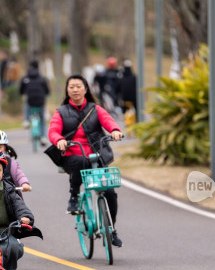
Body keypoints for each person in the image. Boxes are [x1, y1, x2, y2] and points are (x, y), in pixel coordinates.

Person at [48, 74, 124, 247]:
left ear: (85, 89)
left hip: (97, 156)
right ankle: (74, 196)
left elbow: (108, 121)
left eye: (78, 86)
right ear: (67, 90)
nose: (75, 90)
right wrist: (59, 140)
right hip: (72, 157)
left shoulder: (96, 109)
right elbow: (53, 131)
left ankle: (111, 230)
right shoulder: (61, 112)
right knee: (81, 162)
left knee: (110, 193)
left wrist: (115, 131)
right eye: (71, 87)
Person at [19, 60, 50, 137]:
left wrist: (23, 93)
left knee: (26, 104)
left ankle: (26, 120)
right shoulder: (42, 78)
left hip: (30, 101)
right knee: (42, 119)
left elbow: (21, 90)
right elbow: (47, 91)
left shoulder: (25, 78)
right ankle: (43, 137)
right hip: (40, 101)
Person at [116, 59, 138, 127]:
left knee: (124, 111)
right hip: (134, 99)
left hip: (125, 99)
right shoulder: (134, 77)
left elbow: (117, 89)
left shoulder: (121, 78)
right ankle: (137, 122)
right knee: (137, 110)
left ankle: (126, 123)